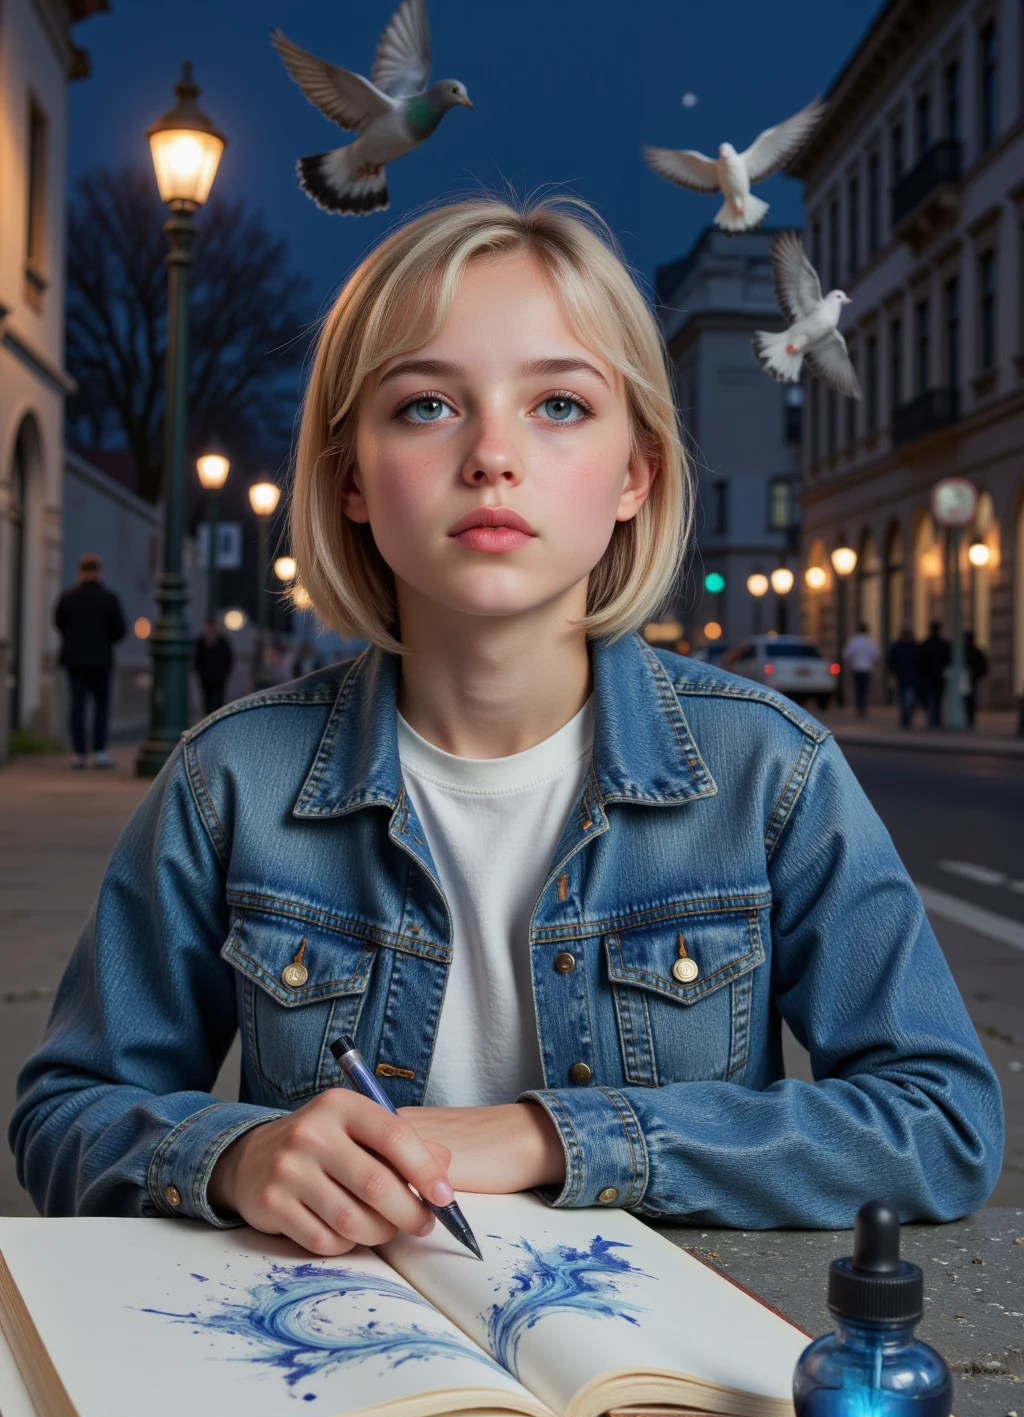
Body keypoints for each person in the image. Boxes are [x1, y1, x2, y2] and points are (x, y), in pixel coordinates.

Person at [12, 198, 1002, 1250]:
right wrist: (235, 1157)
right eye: (427, 406)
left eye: (559, 405)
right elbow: (67, 1111)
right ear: (350, 479)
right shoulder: (230, 780)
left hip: (660, 1340)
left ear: (635, 475)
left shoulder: (768, 770)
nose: (491, 454)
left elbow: (939, 1121)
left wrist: (552, 1136)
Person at [53, 553, 126, 769]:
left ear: (80, 571)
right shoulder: (109, 599)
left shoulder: (67, 598)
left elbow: (59, 623)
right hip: (101, 660)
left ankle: (78, 752)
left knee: (77, 706)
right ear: (99, 572)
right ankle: (99, 751)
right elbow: (119, 629)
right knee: (101, 707)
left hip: (74, 660)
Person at [193, 619, 233, 717]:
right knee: (206, 698)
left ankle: (218, 716)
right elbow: (196, 658)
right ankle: (207, 716)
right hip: (205, 676)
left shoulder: (223, 642)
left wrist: (224, 673)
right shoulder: (200, 642)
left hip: (219, 677)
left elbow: (229, 658)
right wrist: (199, 671)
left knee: (219, 698)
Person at [917, 620, 951, 729]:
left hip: (929, 677)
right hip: (939, 676)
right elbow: (948, 660)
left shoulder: (926, 644)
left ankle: (932, 720)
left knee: (931, 699)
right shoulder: (943, 644)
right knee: (938, 699)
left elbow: (920, 661)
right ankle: (937, 720)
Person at [842, 621, 879, 719]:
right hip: (867, 669)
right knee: (865, 688)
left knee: (858, 688)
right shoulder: (870, 642)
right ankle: (863, 707)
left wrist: (850, 665)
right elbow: (876, 655)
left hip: (857, 668)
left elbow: (847, 655)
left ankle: (859, 707)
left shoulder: (853, 641)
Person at [886, 626, 919, 728]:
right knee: (908, 697)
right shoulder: (914, 647)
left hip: (906, 675)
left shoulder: (898, 646)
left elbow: (891, 661)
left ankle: (906, 716)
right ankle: (906, 716)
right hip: (908, 675)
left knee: (905, 697)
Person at [963, 629, 988, 728]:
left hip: (968, 678)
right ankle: (969, 719)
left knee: (967, 700)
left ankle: (968, 719)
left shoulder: (966, 651)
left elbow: (983, 667)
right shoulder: (975, 651)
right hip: (971, 678)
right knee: (970, 700)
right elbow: (984, 667)